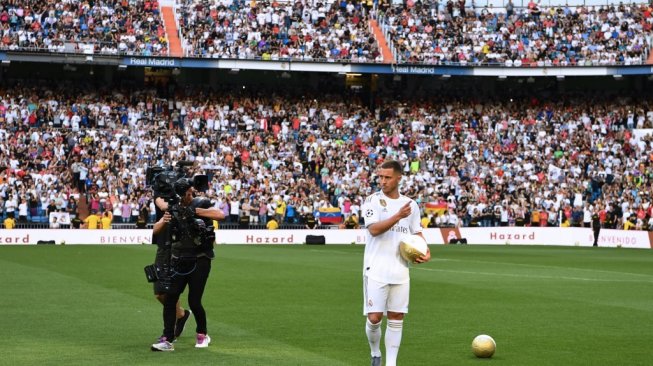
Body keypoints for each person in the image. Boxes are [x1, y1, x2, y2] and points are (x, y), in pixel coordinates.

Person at [360, 160, 431, 366]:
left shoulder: (411, 205)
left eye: (387, 177)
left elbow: (416, 232)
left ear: (399, 178)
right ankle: (375, 353)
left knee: (396, 317)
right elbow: (373, 229)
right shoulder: (372, 201)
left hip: (400, 269)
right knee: (374, 318)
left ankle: (391, 363)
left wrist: (425, 250)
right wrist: (397, 216)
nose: (382, 181)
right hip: (375, 268)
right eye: (380, 177)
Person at [151, 178, 224, 352]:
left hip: (200, 259)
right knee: (170, 298)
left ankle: (202, 334)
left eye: (192, 192)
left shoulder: (200, 204)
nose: (192, 195)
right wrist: (165, 219)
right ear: (180, 195)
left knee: (194, 300)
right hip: (178, 259)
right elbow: (155, 230)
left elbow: (220, 215)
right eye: (188, 193)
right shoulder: (173, 210)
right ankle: (167, 339)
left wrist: (195, 211)